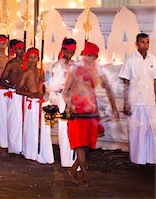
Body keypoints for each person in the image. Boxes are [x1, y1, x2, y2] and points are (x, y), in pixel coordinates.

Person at [62, 41, 119, 187]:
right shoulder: (73, 70)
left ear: (96, 58)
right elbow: (65, 91)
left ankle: (73, 170)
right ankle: (85, 176)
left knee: (88, 144)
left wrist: (114, 108)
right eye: (87, 55)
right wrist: (70, 106)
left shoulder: (97, 71)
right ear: (82, 55)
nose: (89, 59)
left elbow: (108, 89)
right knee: (80, 144)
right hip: (77, 111)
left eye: (93, 56)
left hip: (91, 111)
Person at [119, 33, 156, 165]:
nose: (145, 45)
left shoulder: (153, 59)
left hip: (150, 101)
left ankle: (151, 158)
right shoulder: (130, 60)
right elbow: (126, 82)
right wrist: (126, 102)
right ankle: (137, 159)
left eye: (147, 42)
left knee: (152, 131)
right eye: (142, 42)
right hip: (136, 101)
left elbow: (155, 81)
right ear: (136, 43)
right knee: (137, 131)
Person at [17, 48, 53, 164]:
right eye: (30, 57)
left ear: (38, 58)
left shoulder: (41, 72)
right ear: (27, 59)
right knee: (31, 127)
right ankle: (30, 153)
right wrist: (31, 95)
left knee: (43, 128)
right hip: (31, 103)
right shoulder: (26, 72)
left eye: (35, 57)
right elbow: (18, 90)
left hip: (41, 103)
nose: (32, 60)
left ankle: (42, 152)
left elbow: (45, 87)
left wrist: (44, 93)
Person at [48, 38, 77, 167]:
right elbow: (55, 85)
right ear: (63, 50)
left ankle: (73, 158)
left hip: (74, 98)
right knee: (64, 129)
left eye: (72, 51)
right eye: (67, 51)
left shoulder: (75, 65)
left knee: (74, 129)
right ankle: (66, 161)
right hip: (62, 98)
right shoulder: (58, 65)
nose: (70, 54)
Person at [0, 40, 25, 154]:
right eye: (19, 49)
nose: (22, 51)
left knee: (24, 122)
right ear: (14, 50)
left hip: (25, 95)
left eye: (23, 48)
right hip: (14, 95)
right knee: (15, 121)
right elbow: (2, 81)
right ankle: (14, 149)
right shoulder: (11, 64)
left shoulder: (27, 63)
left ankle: (23, 147)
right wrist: (13, 87)